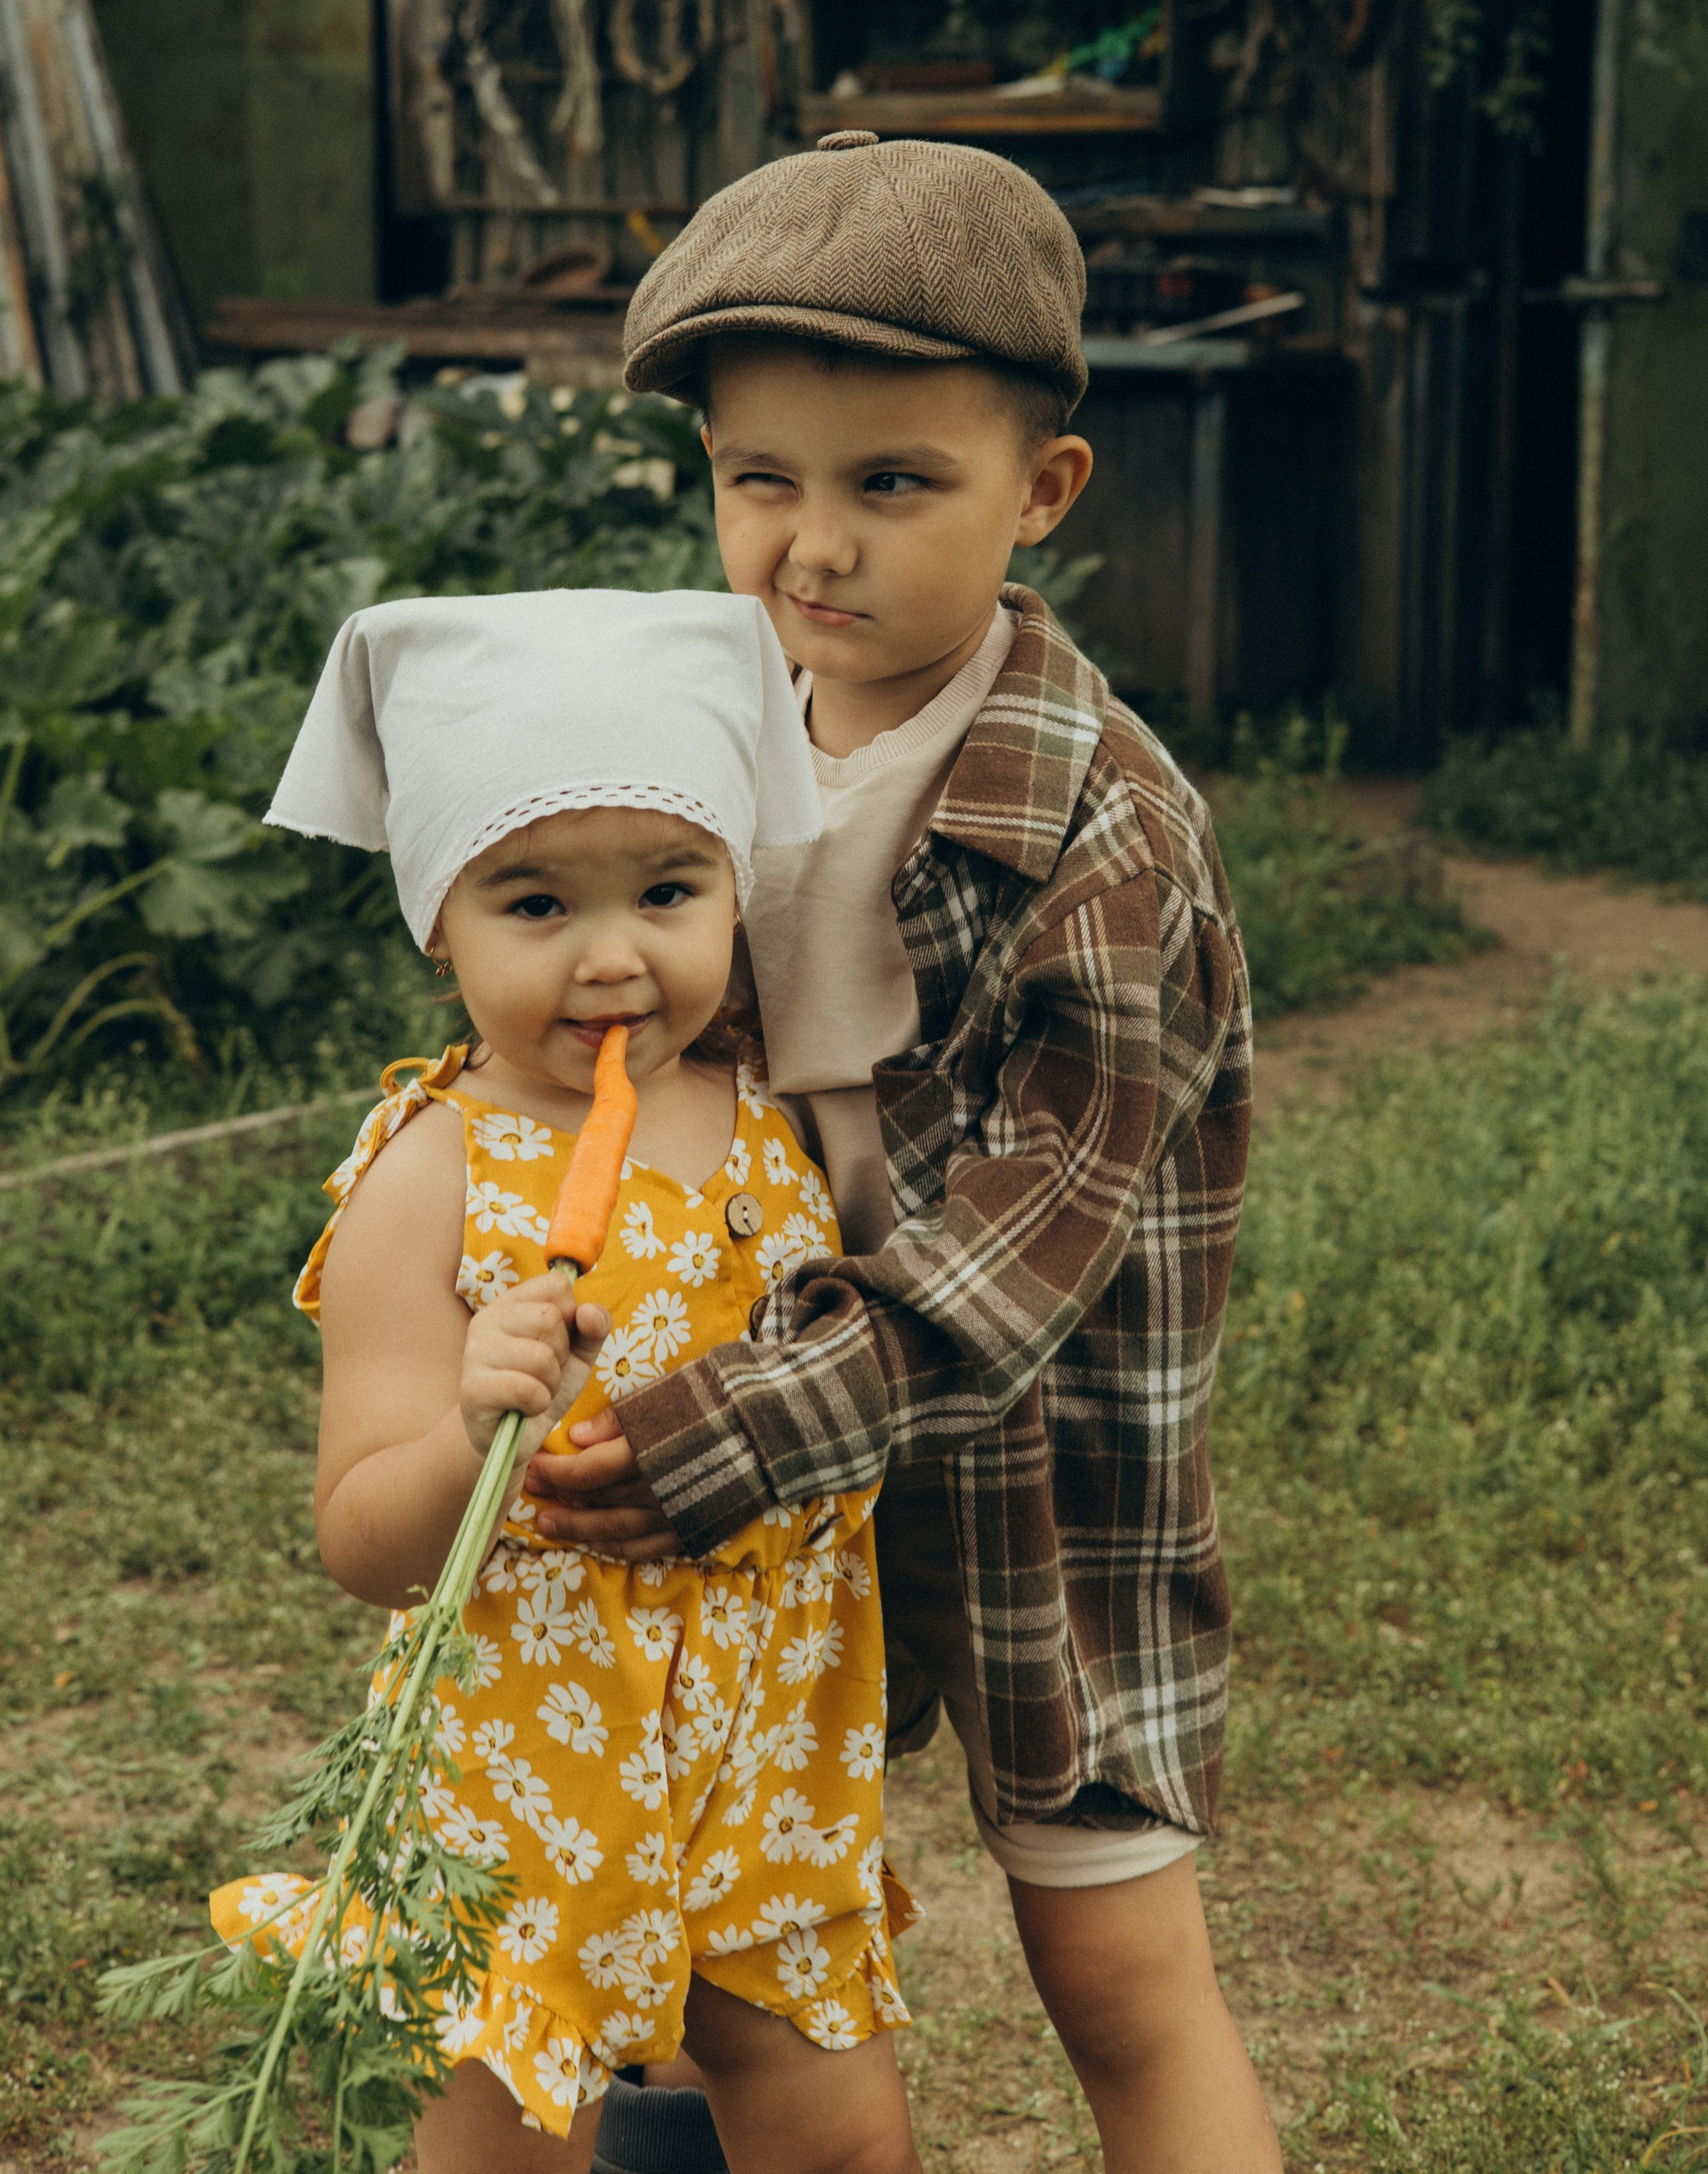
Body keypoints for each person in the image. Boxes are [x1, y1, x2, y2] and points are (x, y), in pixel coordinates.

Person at [529, 133, 1284, 2174]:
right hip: (755, 1450)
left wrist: (737, 1425)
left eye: (890, 484)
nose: (812, 550)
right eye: (758, 479)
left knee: (1119, 1983)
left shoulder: (1105, 834)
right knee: (708, 1947)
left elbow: (1022, 1264)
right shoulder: (704, 741)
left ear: (1042, 493)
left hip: (1039, 1472)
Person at [209, 588, 919, 2174]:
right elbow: (358, 1540)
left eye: (668, 891)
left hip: (767, 1738)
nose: (612, 958)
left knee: (843, 2141)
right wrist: (471, 1433)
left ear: (736, 889)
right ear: (434, 924)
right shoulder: (436, 1176)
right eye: (533, 906)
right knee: (503, 2148)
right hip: (527, 1754)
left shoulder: (768, 1119)